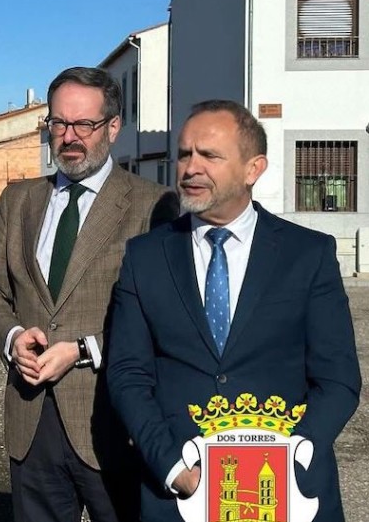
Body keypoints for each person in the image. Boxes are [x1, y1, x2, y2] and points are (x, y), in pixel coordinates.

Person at [106, 100, 361, 522]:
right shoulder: (144, 257)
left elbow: (338, 378)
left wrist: (292, 456)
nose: (190, 168)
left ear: (253, 168)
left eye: (209, 155)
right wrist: (174, 468)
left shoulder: (308, 255)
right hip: (182, 494)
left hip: (288, 491)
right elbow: (127, 374)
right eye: (184, 154)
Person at [0, 66, 177, 522]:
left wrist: (84, 350)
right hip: (31, 420)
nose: (69, 136)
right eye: (59, 123)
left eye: (84, 124)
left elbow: (164, 318)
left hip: (113, 420)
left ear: (113, 127)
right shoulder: (19, 201)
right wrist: (12, 337)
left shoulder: (153, 207)